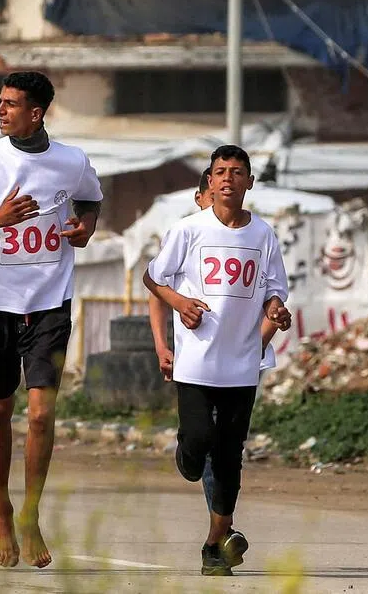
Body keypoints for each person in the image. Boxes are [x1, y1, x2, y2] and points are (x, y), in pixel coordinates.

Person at [0, 71, 103, 570]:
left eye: (11, 104)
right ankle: (2, 510)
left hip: (50, 304)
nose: (1, 111)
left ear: (38, 112)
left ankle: (30, 514)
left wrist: (85, 228)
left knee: (40, 415)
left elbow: (91, 199)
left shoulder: (71, 162)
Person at [144, 145, 292, 577]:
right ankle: (187, 458)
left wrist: (277, 311)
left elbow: (274, 290)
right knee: (199, 439)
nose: (228, 178)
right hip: (196, 362)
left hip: (243, 363)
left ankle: (214, 546)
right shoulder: (189, 229)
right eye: (220, 172)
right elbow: (153, 276)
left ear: (249, 182)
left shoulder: (263, 235)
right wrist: (180, 302)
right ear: (209, 181)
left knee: (230, 454)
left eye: (237, 172)